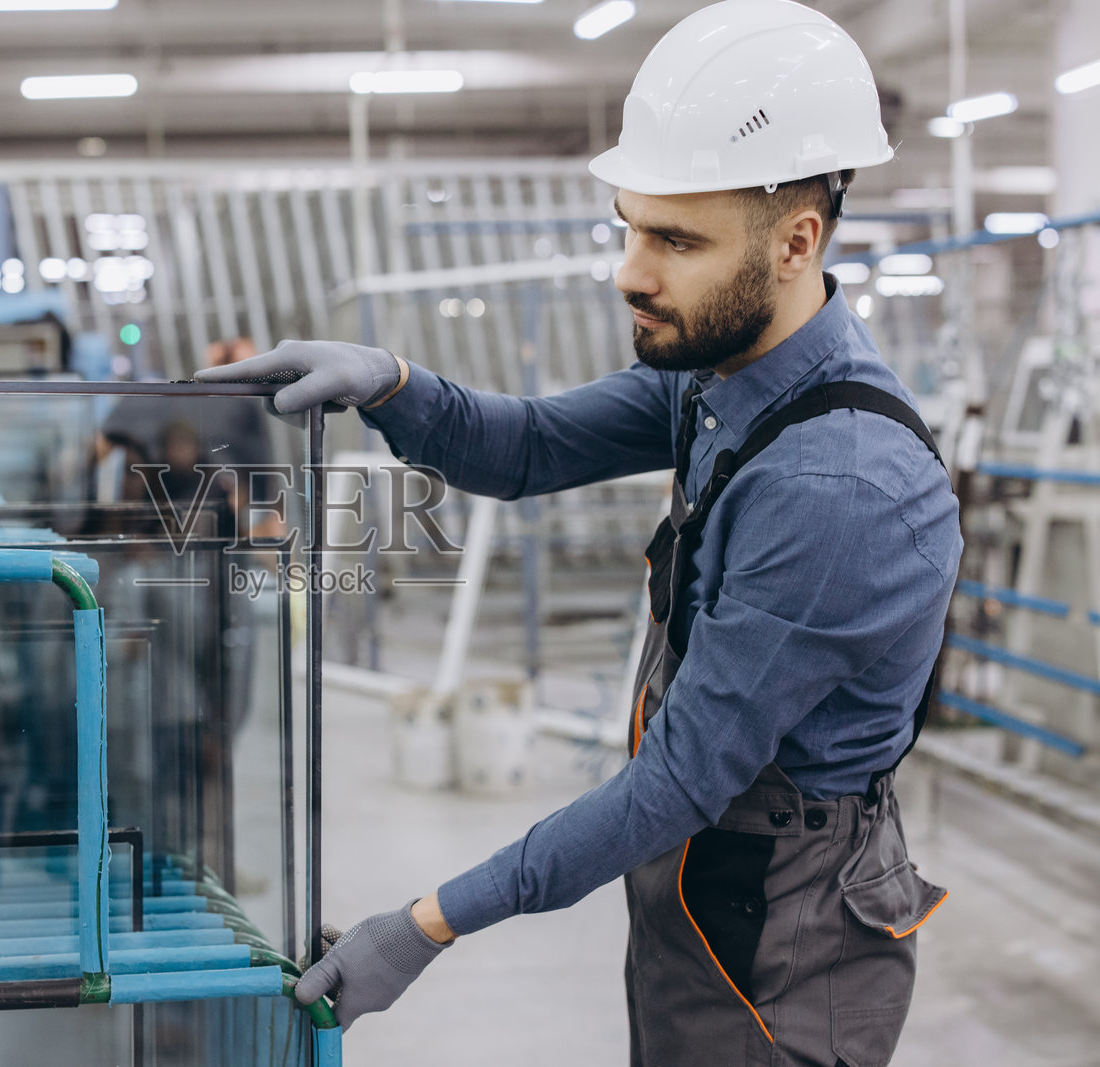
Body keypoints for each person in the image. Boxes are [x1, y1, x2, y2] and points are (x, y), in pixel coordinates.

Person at [196, 2, 962, 1063]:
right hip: (708, 874)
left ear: (797, 242)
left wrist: (425, 922)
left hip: (783, 926)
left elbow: (680, 778)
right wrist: (391, 382)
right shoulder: (722, 376)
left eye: (674, 240)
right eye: (629, 227)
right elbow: (528, 448)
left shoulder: (839, 488)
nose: (629, 272)